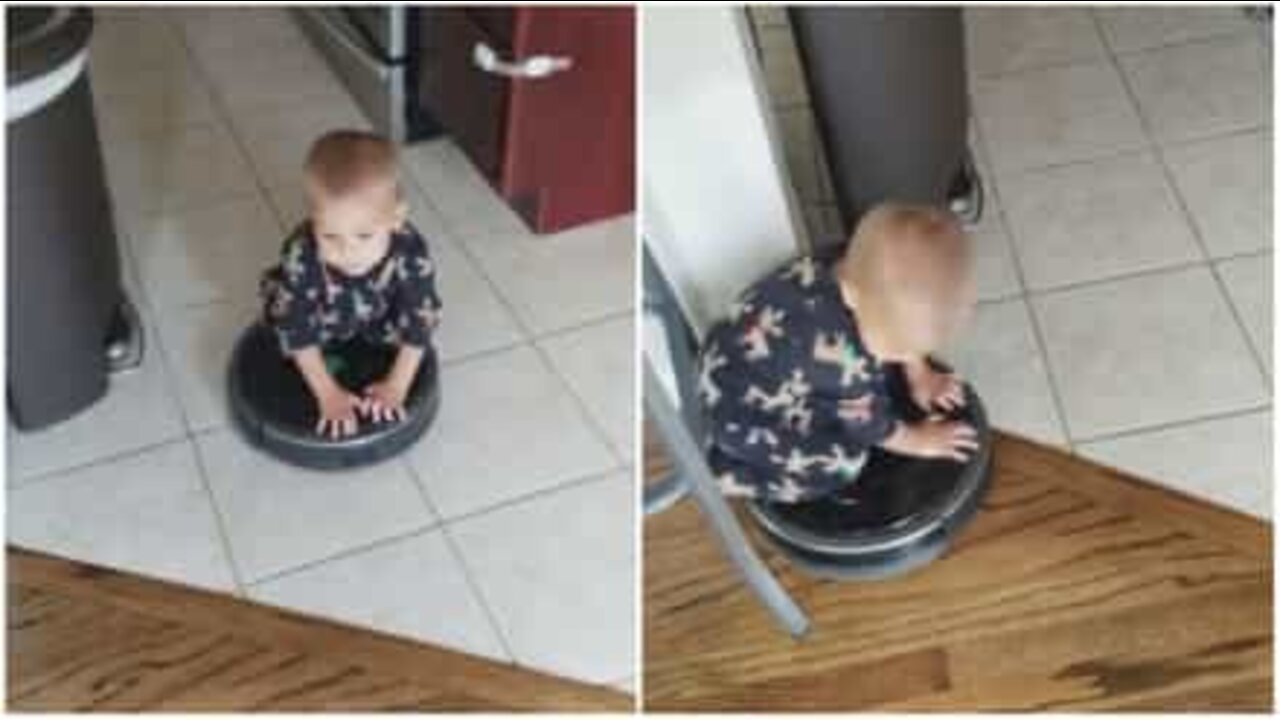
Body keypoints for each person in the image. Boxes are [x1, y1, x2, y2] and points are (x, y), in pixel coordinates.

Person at [698, 202, 978, 503]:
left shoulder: (847, 262)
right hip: (744, 419)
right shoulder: (841, 363)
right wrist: (919, 441)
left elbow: (901, 312)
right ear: (852, 295)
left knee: (870, 368)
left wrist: (919, 374)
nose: (901, 358)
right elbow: (872, 427)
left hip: (730, 356)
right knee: (843, 464)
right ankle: (730, 477)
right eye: (896, 350)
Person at [260, 130, 442, 439]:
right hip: (325, 313)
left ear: (396, 219)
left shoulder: (410, 250)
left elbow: (420, 321)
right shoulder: (302, 253)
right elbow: (297, 327)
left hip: (379, 310)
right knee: (284, 319)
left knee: (413, 322)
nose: (348, 252)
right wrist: (327, 393)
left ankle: (369, 338)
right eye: (330, 236)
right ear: (314, 220)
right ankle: (320, 362)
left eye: (364, 236)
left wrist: (397, 385)